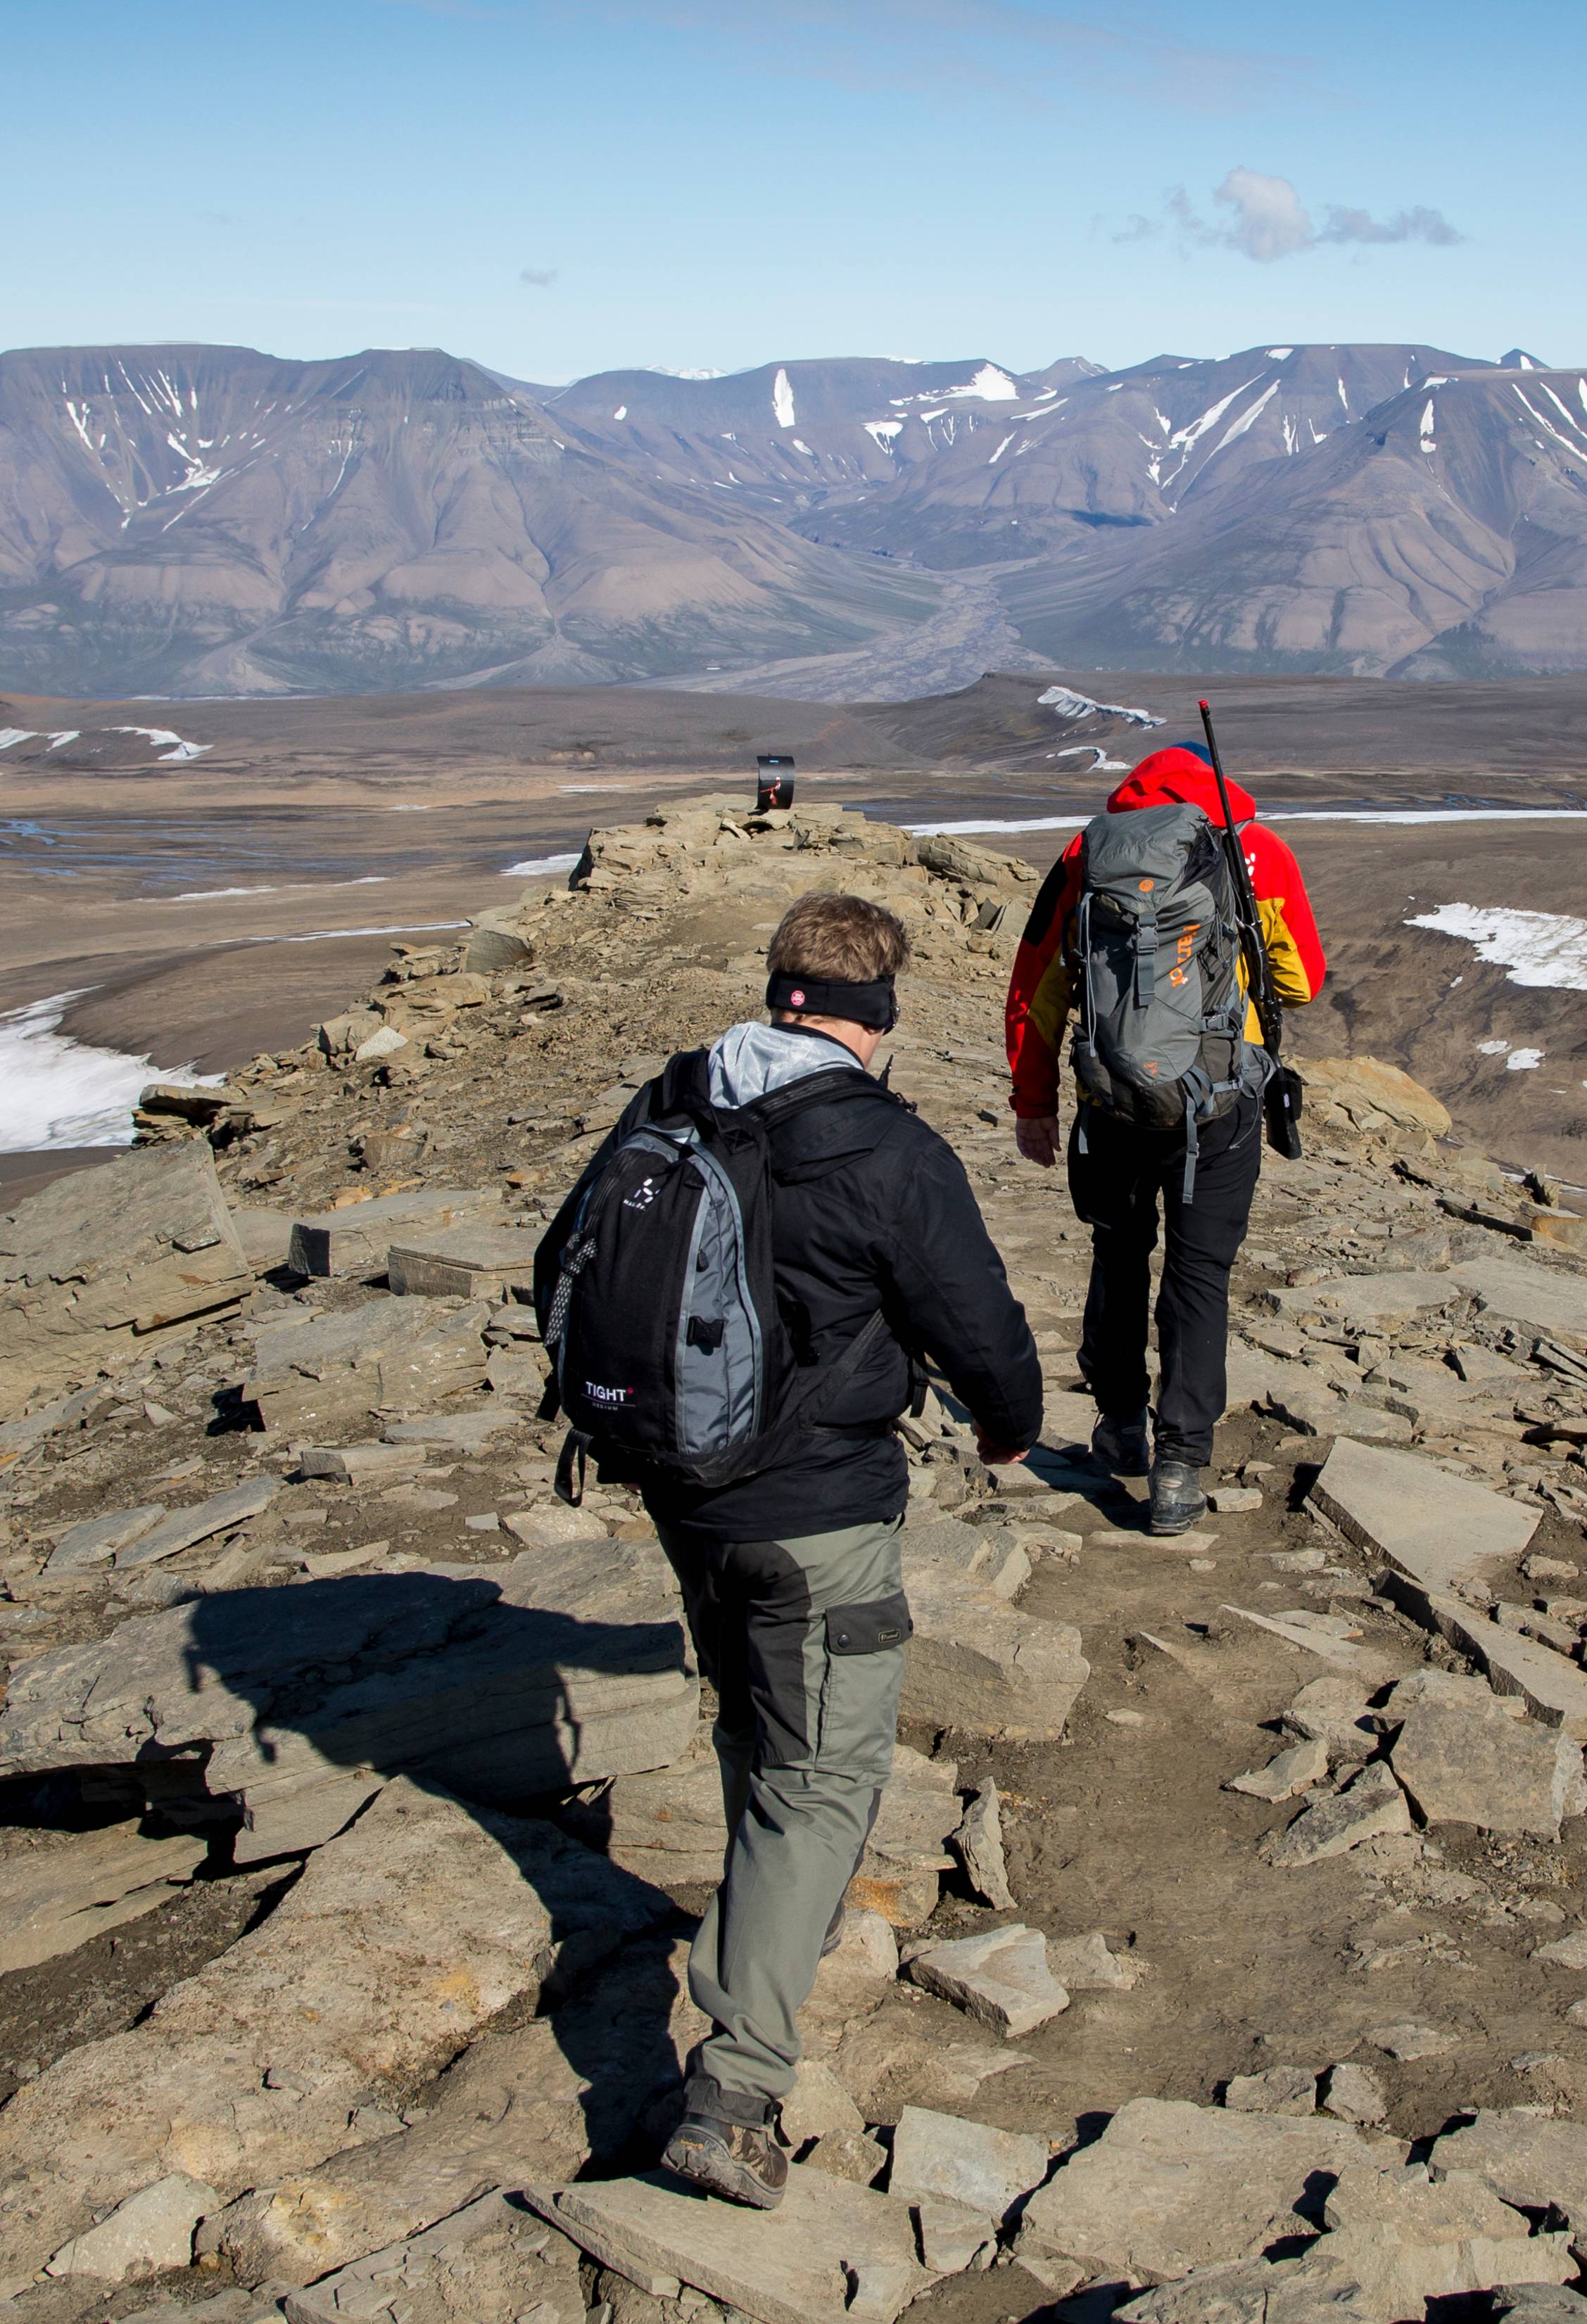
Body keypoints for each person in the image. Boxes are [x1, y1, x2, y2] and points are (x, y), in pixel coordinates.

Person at [599, 893, 1048, 2209]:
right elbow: (979, 1326)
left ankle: (761, 1932)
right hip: (818, 1516)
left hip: (685, 1494)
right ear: (881, 1015)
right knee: (821, 1780)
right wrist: (1010, 1427)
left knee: (756, 1727)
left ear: (777, 987)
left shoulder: (673, 1098)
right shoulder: (886, 1146)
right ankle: (734, 2084)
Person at [1002, 742, 1327, 1535]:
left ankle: (1118, 1423)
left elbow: (1037, 980)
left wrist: (1032, 1099)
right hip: (1216, 1103)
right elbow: (1302, 981)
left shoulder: (1089, 850)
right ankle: (1178, 1466)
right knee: (1197, 1275)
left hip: (1110, 1097)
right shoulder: (1254, 847)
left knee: (1117, 1253)